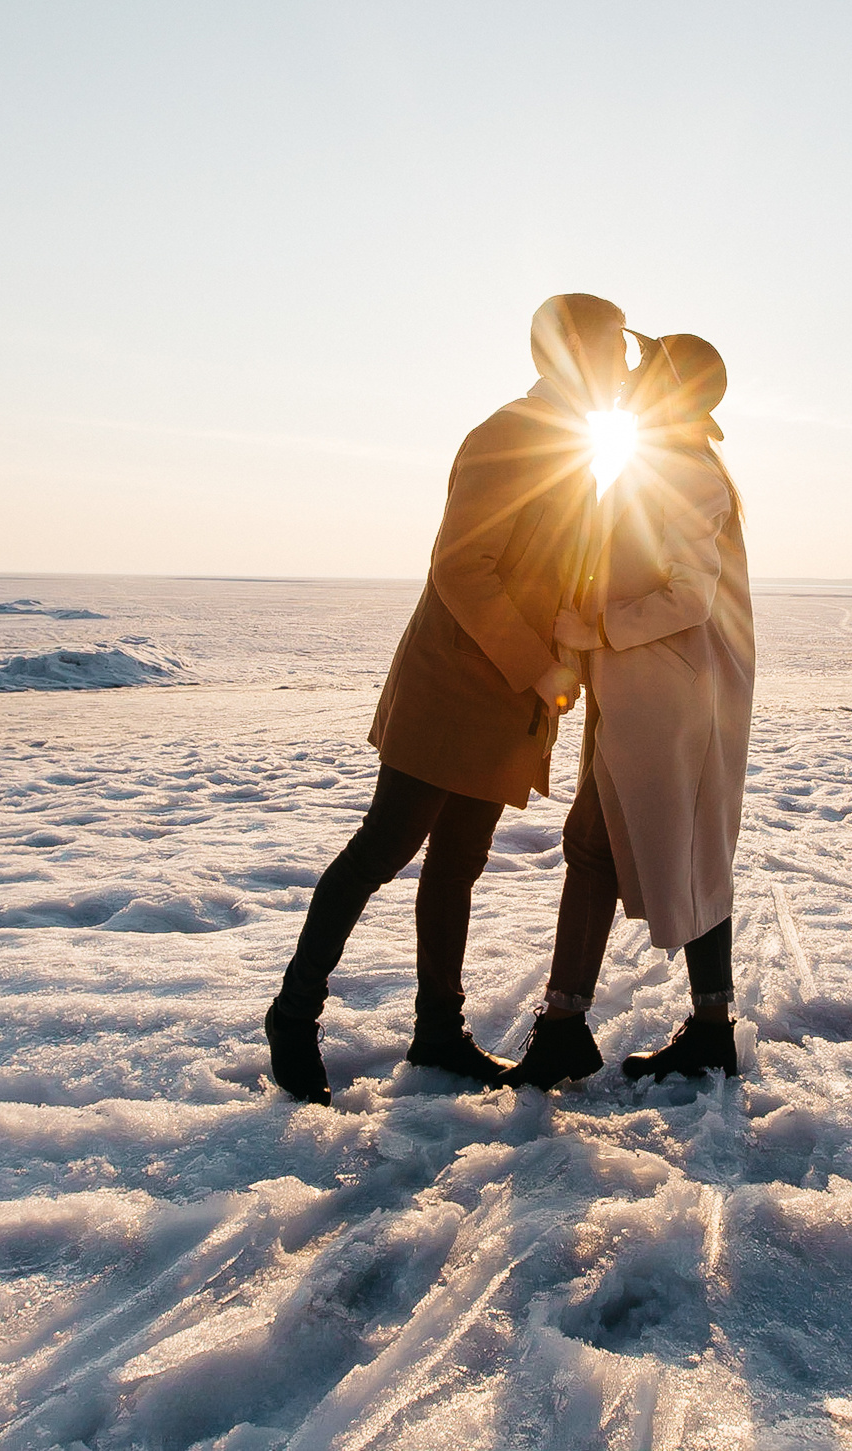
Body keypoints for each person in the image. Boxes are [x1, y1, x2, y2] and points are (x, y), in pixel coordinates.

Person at [264, 293, 630, 1104]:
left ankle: (437, 1030)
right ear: (573, 351)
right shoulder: (511, 435)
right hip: (454, 688)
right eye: (617, 348)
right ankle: (293, 1011)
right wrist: (540, 666)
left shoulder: (574, 448)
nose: (626, 365)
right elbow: (463, 567)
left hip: (505, 702)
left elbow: (553, 573)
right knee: (383, 847)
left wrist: (578, 643)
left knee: (458, 863)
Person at [502, 333, 755, 1088]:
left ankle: (566, 1029)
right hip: (654, 695)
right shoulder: (668, 463)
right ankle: (704, 1029)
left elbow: (690, 595)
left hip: (667, 700)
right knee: (678, 851)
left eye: (647, 368)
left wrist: (596, 631)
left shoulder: (683, 471)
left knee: (601, 846)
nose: (634, 377)